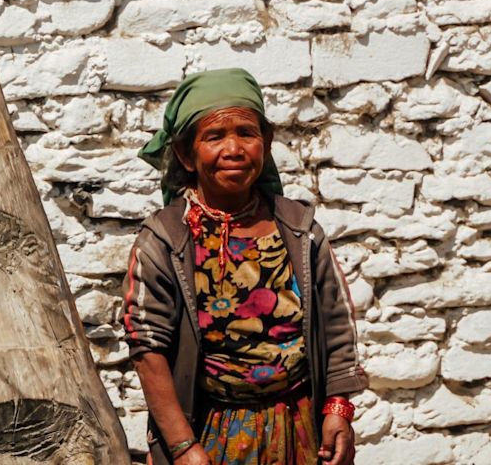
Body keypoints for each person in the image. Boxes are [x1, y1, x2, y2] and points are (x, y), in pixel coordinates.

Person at [121, 68, 367, 465]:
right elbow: (147, 347)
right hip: (209, 433)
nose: (233, 148)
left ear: (265, 144)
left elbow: (336, 323)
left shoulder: (299, 229)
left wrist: (338, 409)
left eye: (247, 133)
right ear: (185, 154)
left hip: (298, 426)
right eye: (214, 136)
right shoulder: (166, 239)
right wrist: (183, 448)